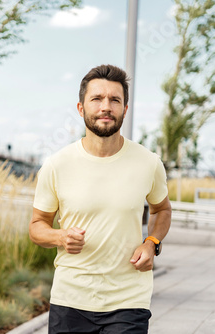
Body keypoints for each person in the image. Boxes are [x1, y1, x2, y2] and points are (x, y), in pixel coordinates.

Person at [28, 64, 172, 334]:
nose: (106, 106)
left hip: (128, 301)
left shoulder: (148, 162)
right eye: (97, 99)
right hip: (70, 299)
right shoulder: (57, 165)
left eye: (115, 100)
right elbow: (37, 225)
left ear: (125, 110)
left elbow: (162, 209)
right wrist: (60, 237)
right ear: (81, 108)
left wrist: (152, 243)